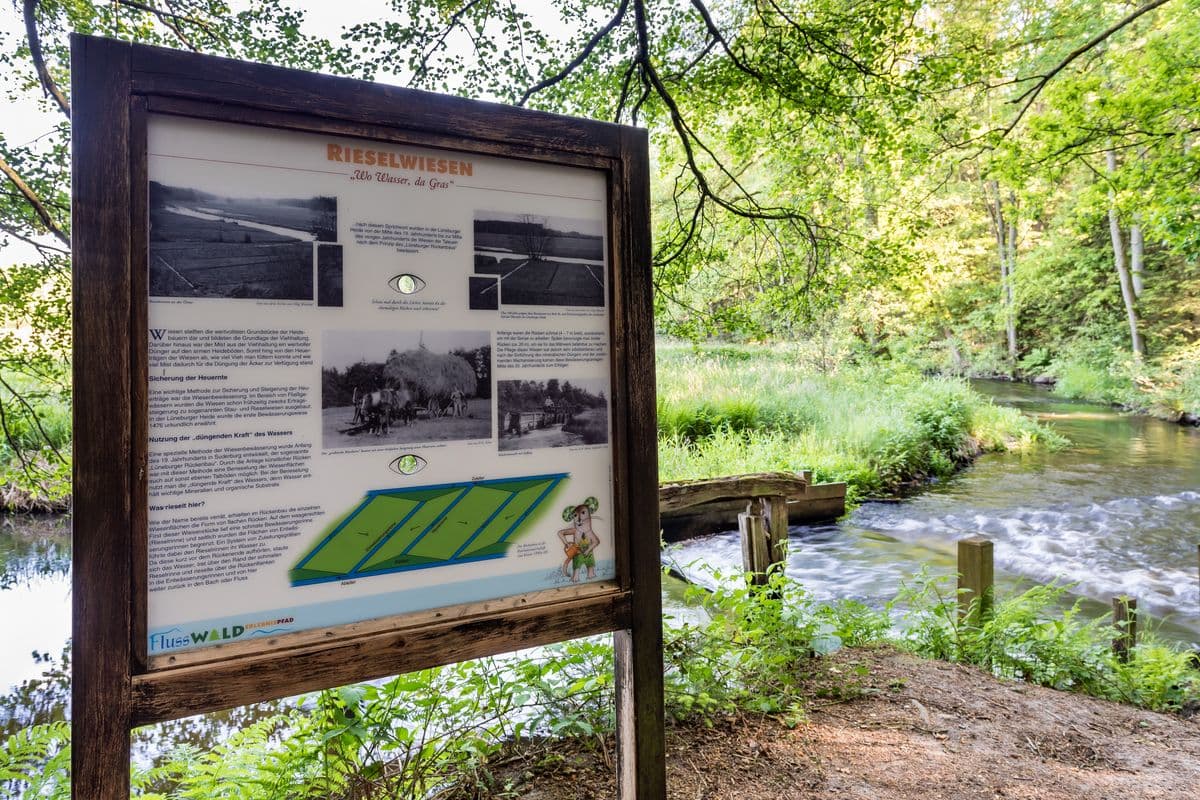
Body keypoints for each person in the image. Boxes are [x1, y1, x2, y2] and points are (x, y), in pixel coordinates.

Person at [556, 497, 600, 582]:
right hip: (577, 552)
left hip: (589, 553)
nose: (579, 518)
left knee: (590, 568)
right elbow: (560, 533)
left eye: (583, 513)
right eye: (575, 515)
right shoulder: (575, 530)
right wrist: (566, 544)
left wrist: (588, 550)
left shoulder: (589, 532)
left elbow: (596, 542)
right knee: (576, 569)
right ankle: (575, 577)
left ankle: (591, 575)